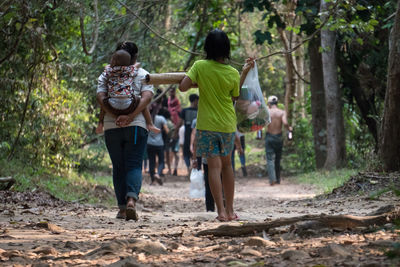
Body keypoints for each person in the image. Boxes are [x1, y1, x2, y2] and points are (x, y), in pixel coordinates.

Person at [179, 29, 254, 222]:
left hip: (207, 125)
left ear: (207, 48)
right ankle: (230, 210)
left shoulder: (200, 66)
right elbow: (234, 96)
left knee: (213, 169)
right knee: (228, 167)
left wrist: (195, 78)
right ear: (227, 49)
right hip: (228, 125)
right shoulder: (232, 72)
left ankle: (220, 212)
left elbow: (183, 87)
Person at [96, 41, 153, 221]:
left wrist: (114, 114)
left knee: (118, 166)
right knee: (134, 164)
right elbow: (147, 98)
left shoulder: (106, 74)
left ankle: (121, 209)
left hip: (112, 126)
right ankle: (131, 200)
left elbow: (100, 97)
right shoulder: (143, 74)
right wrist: (130, 116)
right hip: (136, 126)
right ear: (135, 57)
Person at [95, 49, 159, 135]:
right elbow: (137, 66)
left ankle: (100, 124)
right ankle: (150, 123)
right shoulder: (130, 71)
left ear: (113, 61)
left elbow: (105, 71)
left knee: (103, 101)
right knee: (142, 100)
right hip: (128, 105)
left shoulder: (109, 71)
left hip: (111, 104)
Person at [265, 95, 292, 186]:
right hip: (278, 137)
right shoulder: (282, 112)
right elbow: (285, 123)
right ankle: (278, 179)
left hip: (269, 136)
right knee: (277, 159)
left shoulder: (267, 112)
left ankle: (272, 179)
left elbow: (262, 123)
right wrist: (289, 128)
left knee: (269, 159)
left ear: (269, 104)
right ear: (277, 103)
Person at [190, 118, 215, 212]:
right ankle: (224, 208)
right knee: (221, 181)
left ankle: (210, 208)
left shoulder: (202, 118)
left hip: (208, 156)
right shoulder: (223, 115)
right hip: (222, 157)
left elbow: (196, 139)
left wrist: (195, 158)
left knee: (209, 183)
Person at [175, 94, 199, 176]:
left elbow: (179, 123)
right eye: (197, 100)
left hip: (187, 134)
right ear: (195, 100)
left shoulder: (184, 111)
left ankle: (189, 167)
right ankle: (194, 168)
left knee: (186, 153)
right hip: (196, 134)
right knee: (195, 152)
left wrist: (176, 132)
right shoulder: (199, 111)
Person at [147, 110, 169, 186]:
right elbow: (167, 130)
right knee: (161, 161)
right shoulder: (161, 118)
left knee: (151, 162)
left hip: (149, 143)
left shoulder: (147, 118)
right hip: (159, 143)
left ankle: (153, 181)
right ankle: (158, 174)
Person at [167, 87, 181, 176]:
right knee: (169, 151)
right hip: (169, 128)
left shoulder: (177, 102)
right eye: (170, 91)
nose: (171, 93)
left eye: (172, 92)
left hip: (176, 129)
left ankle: (175, 168)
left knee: (175, 151)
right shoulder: (168, 101)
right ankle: (169, 169)